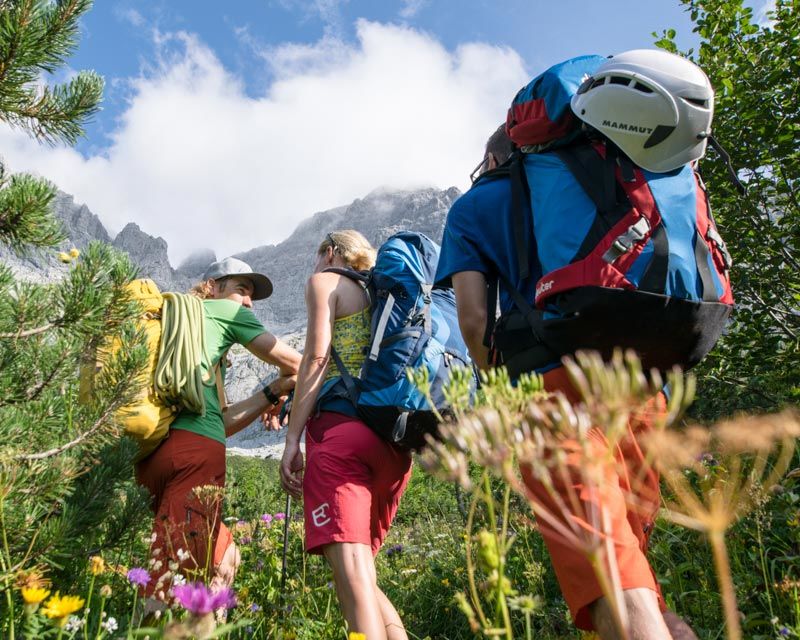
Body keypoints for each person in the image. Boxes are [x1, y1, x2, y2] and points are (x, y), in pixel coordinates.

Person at [436, 68, 702, 640]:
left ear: (496, 157)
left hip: (554, 386)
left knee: (609, 576)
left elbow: (474, 318)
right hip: (640, 384)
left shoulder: (476, 205)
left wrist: (503, 396)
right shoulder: (606, 180)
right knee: (631, 564)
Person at [135, 257, 301, 601]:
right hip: (196, 456)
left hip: (154, 455)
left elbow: (221, 421)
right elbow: (299, 363)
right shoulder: (226, 313)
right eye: (241, 289)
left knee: (226, 560)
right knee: (181, 577)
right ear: (213, 286)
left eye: (251, 295)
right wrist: (295, 380)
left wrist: (272, 391)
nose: (248, 302)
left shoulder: (185, 328)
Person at [280, 230, 412, 640]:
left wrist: (291, 439)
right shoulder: (383, 292)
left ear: (331, 251)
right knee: (362, 573)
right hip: (394, 444)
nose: (315, 266)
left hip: (341, 434)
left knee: (351, 572)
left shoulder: (326, 282)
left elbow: (317, 358)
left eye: (318, 256)